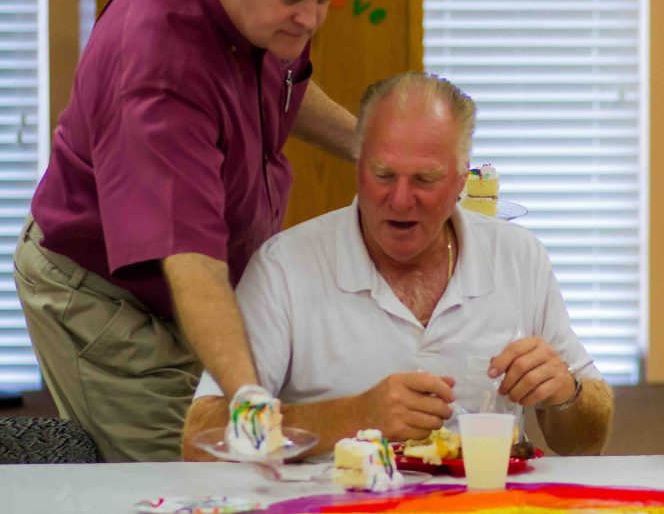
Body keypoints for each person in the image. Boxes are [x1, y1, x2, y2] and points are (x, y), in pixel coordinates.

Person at [14, 0, 360, 462]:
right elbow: (193, 262)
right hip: (102, 294)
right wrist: (249, 403)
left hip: (187, 287)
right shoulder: (158, 72)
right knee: (194, 472)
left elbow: (283, 83)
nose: (309, 20)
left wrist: (370, 147)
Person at [181, 72, 614, 459]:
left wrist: (567, 396)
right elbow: (202, 437)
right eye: (383, 175)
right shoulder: (286, 267)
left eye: (425, 180)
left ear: (461, 182)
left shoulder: (518, 257)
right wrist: (352, 415)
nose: (401, 200)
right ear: (359, 167)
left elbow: (585, 441)